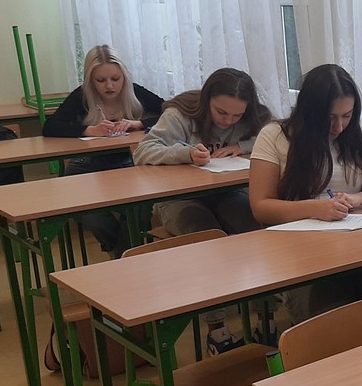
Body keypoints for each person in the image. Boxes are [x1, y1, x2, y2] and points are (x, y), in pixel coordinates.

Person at [249, 63, 362, 322]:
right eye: (329, 117)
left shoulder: (354, 137)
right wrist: (315, 208)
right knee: (334, 316)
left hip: (356, 250)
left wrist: (359, 198)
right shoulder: (275, 136)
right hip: (301, 256)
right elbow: (261, 206)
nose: (339, 126)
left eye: (347, 115)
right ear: (310, 111)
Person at [42, 45, 165, 256]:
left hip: (126, 166)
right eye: (100, 80)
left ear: (124, 76)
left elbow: (171, 111)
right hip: (86, 167)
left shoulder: (135, 91)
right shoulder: (81, 96)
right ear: (90, 80)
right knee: (90, 214)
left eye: (115, 79)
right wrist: (89, 129)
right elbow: (49, 127)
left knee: (140, 208)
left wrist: (139, 124)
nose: (109, 86)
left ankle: (120, 258)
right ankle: (124, 256)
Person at [134, 67, 271, 236]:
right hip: (179, 197)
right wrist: (186, 154)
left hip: (228, 193)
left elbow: (275, 137)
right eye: (221, 112)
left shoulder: (251, 117)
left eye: (237, 115)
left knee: (256, 229)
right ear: (206, 100)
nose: (229, 120)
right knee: (206, 234)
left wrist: (243, 146)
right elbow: (142, 151)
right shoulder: (178, 115)